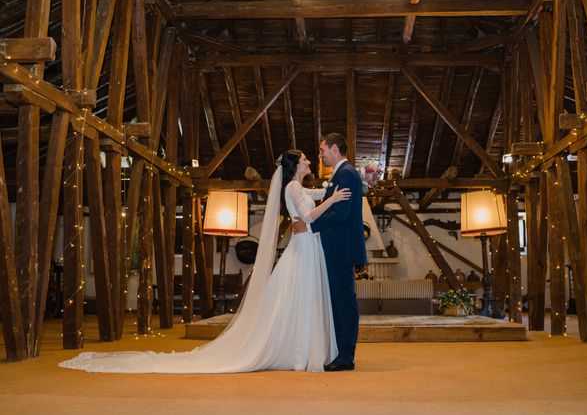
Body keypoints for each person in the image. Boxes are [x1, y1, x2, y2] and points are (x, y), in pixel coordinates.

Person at [58, 150, 350, 373]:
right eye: (305, 159)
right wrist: (333, 201)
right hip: (302, 248)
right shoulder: (292, 189)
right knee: (298, 296)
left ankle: (301, 347)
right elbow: (310, 216)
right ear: (294, 166)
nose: (310, 161)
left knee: (301, 298)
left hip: (307, 247)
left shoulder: (300, 188)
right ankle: (297, 350)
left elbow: (317, 194)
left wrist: (341, 188)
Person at [292, 133, 367, 371]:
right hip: (338, 248)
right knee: (339, 301)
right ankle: (341, 352)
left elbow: (340, 213)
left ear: (335, 149)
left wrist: (310, 226)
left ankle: (346, 356)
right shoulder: (342, 175)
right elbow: (329, 204)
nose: (321, 155)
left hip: (341, 249)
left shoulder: (346, 174)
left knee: (344, 302)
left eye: (323, 150)